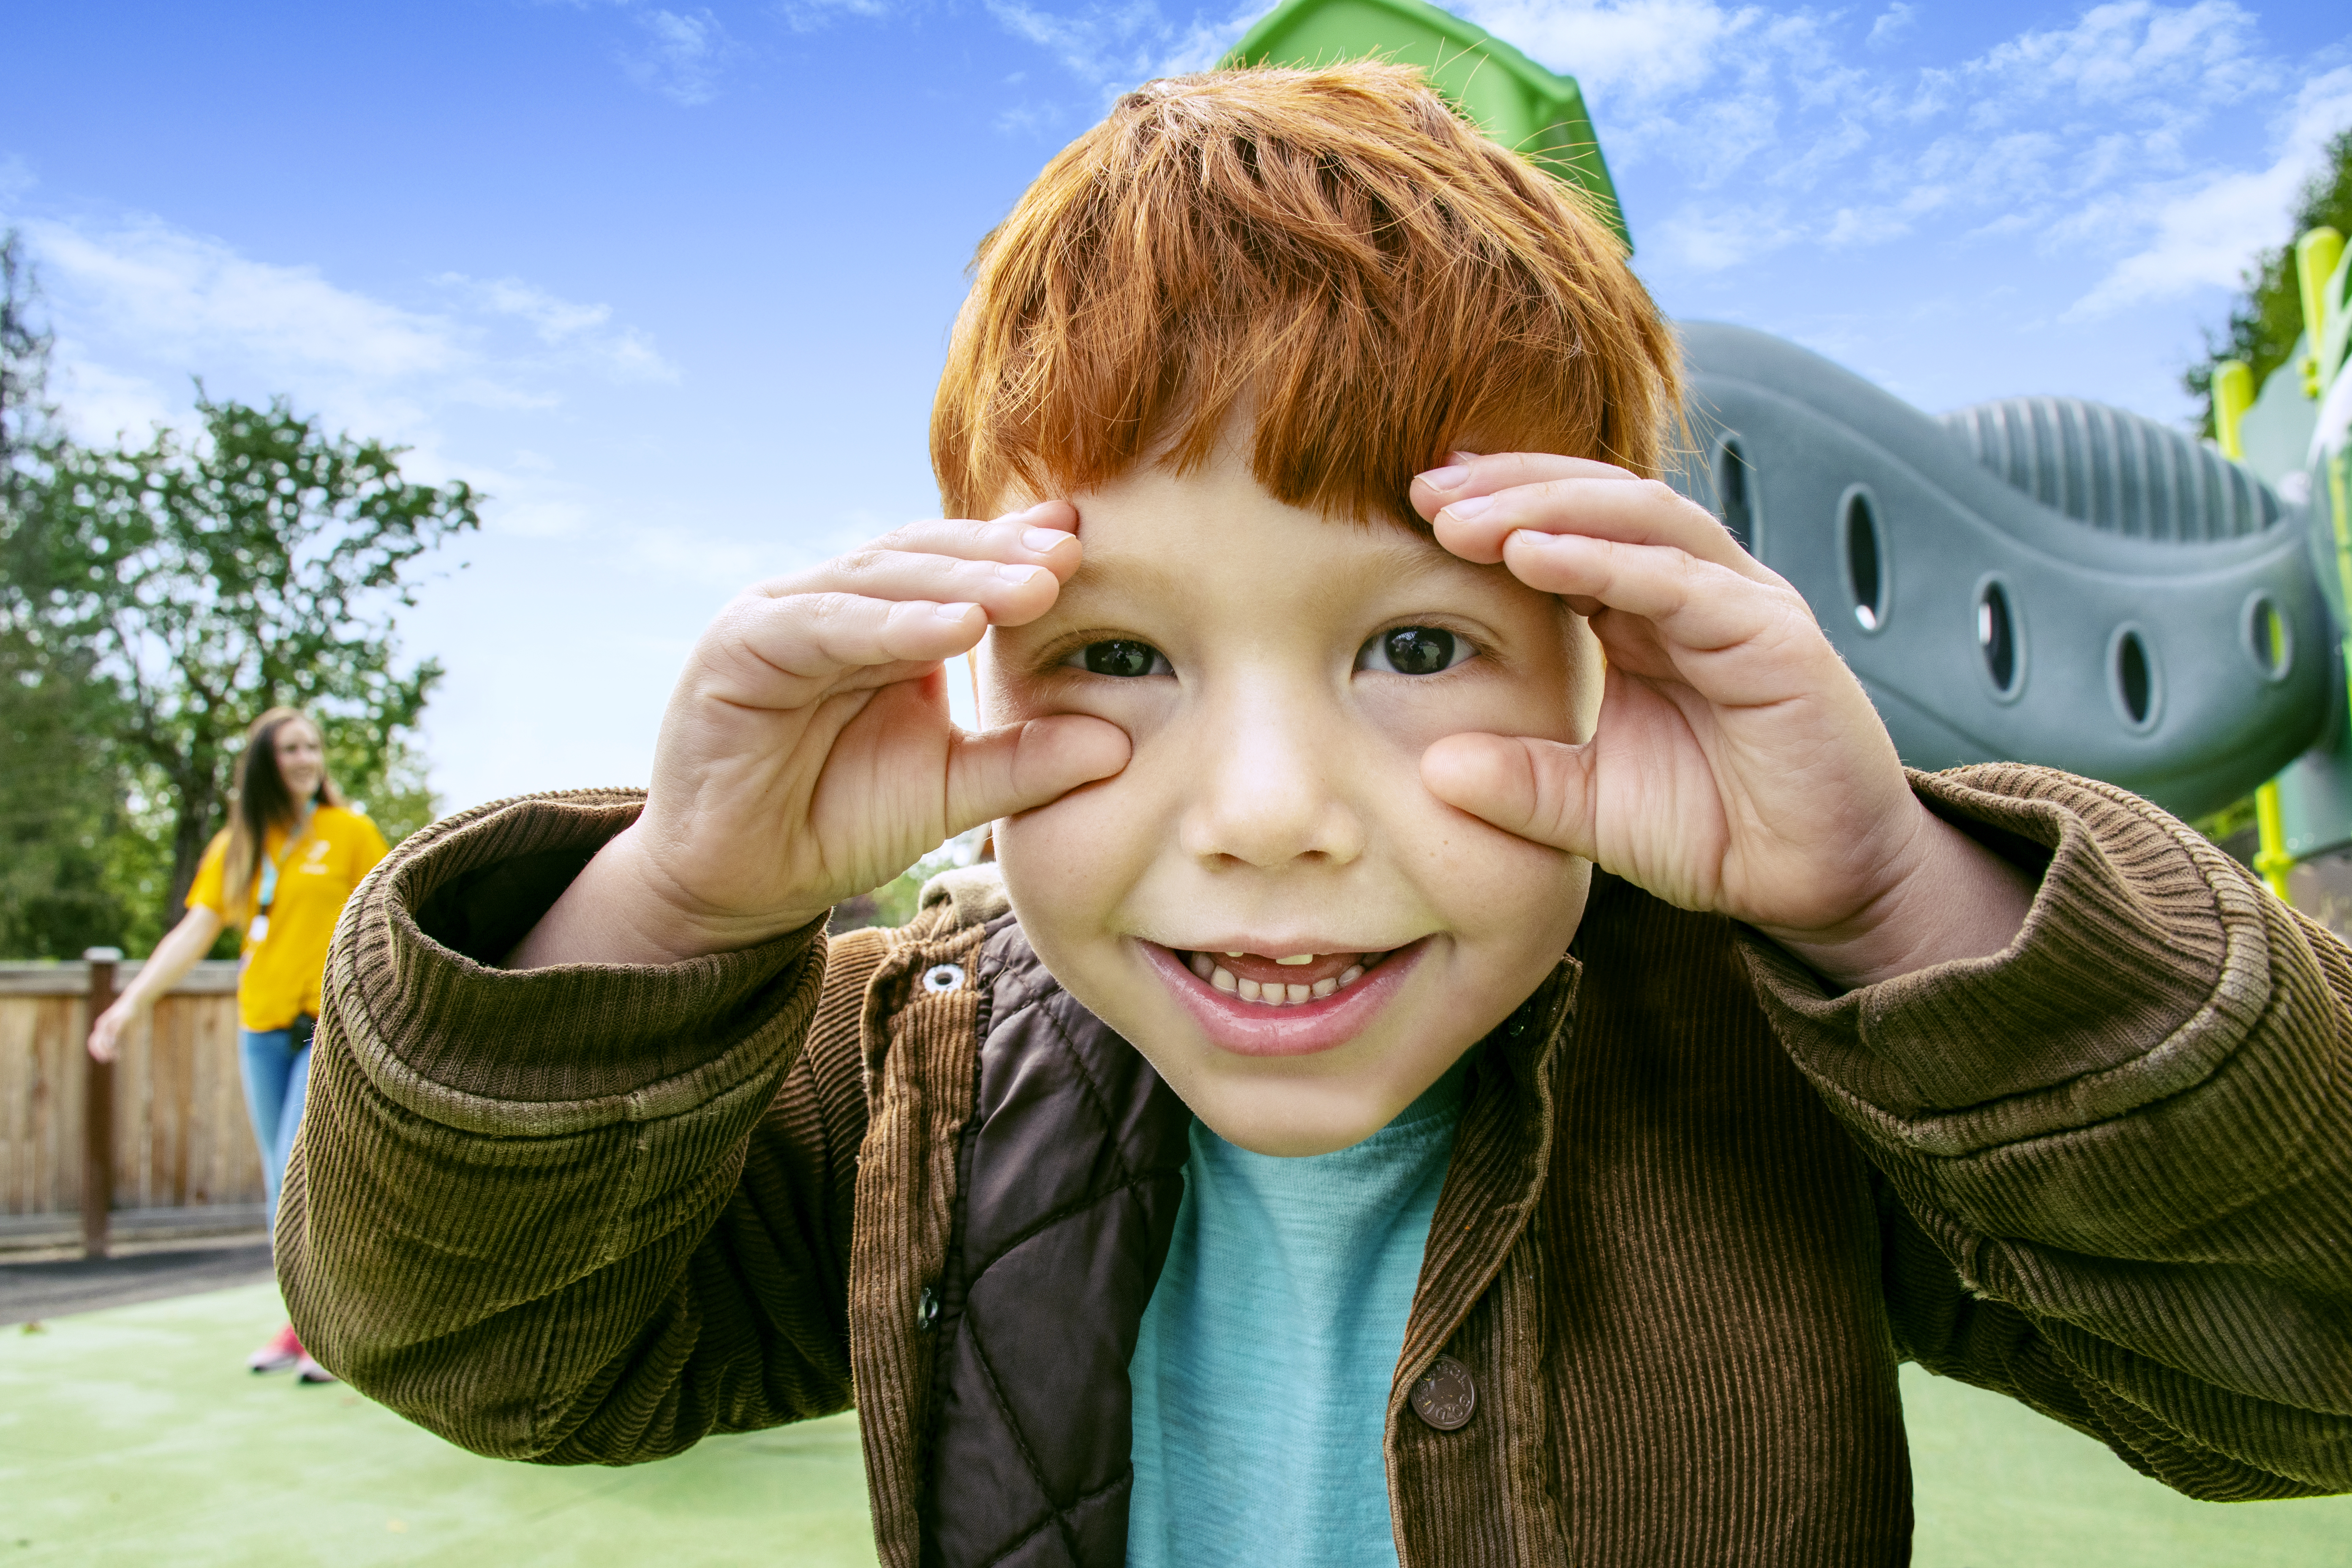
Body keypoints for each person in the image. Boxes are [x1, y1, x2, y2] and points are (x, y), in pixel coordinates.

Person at [279, 64, 2350, 1565]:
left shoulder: (1793, 1057)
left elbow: (2295, 1373)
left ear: (1608, 665)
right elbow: (484, 1347)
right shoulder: (906, 1073)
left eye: (1418, 647)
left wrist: (1896, 902)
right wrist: (660, 905)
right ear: (969, 662)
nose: (1266, 816)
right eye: (1119, 654)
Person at [90, 706, 388, 1384]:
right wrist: (129, 1006)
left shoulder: (350, 834)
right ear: (265, 763)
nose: (307, 758)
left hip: (323, 1027)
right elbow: (194, 933)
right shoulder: (239, 845)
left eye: (313, 746)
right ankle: (299, 1322)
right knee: (275, 1183)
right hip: (261, 1031)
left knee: (299, 1169)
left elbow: (384, 918)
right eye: (291, 748)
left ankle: (334, 1332)